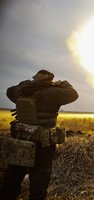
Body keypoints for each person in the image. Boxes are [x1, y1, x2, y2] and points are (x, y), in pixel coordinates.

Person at [0, 69, 78, 200]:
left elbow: (9, 91)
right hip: (43, 144)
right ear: (49, 80)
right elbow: (73, 94)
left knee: (12, 177)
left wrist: (25, 84)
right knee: (39, 183)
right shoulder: (53, 92)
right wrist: (64, 83)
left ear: (35, 78)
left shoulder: (22, 91)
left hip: (20, 140)